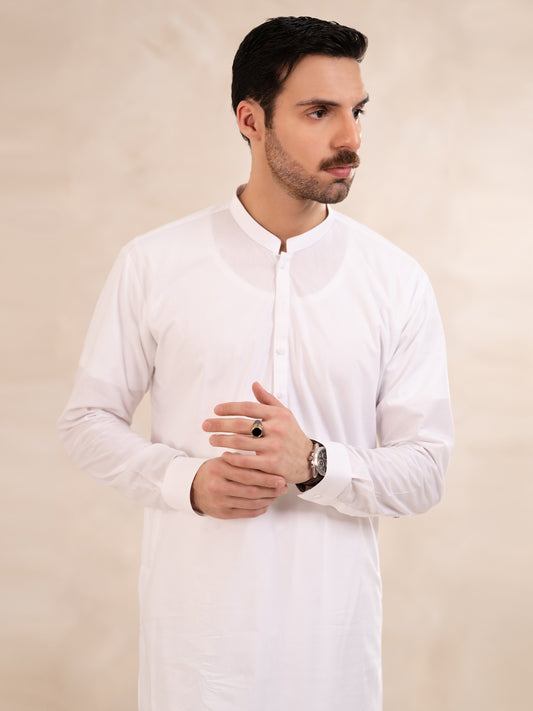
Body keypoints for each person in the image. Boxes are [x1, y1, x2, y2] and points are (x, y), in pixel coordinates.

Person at [58, 16, 454, 711]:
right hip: (195, 661)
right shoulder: (156, 264)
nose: (350, 138)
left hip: (331, 662)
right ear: (251, 120)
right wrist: (185, 481)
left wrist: (316, 463)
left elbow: (425, 470)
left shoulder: (395, 281)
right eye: (318, 112)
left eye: (356, 111)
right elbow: (87, 422)